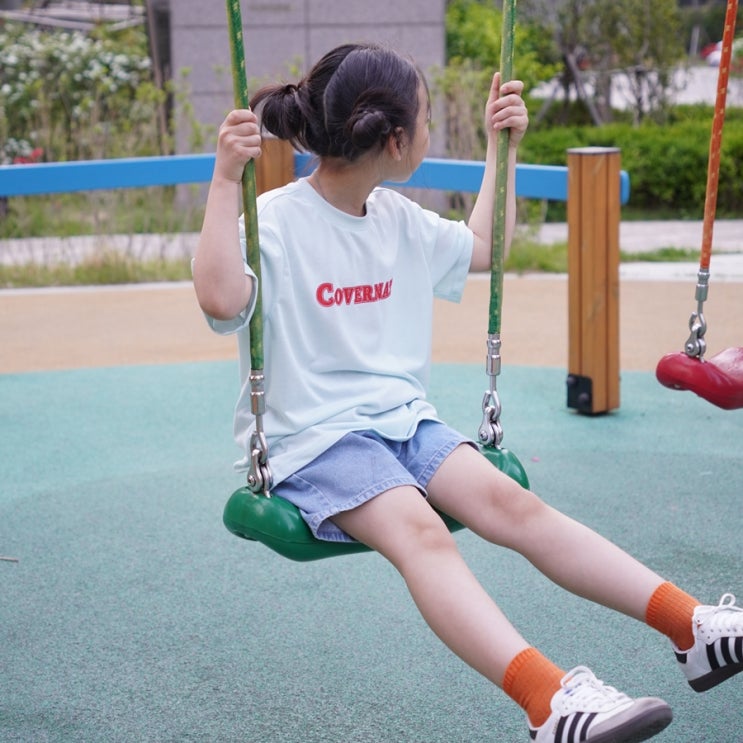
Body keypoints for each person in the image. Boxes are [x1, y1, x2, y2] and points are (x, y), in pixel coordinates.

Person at [193, 43, 742, 742]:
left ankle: (691, 627)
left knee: (512, 501)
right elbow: (220, 299)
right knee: (420, 530)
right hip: (316, 440)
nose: (428, 132)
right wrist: (224, 180)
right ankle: (548, 702)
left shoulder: (396, 218)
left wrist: (499, 147)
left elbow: (486, 247)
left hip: (403, 425)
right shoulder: (275, 222)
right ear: (395, 141)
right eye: (425, 120)